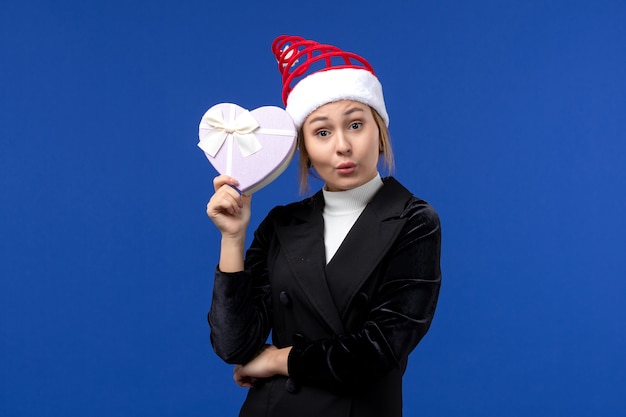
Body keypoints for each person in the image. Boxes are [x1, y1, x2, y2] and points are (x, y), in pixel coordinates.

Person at [206, 35, 442, 417]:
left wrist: (276, 361)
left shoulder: (413, 221)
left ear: (379, 132)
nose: (342, 146)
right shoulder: (282, 223)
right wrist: (232, 238)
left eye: (355, 124)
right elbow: (234, 345)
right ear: (303, 148)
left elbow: (378, 350)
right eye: (322, 132)